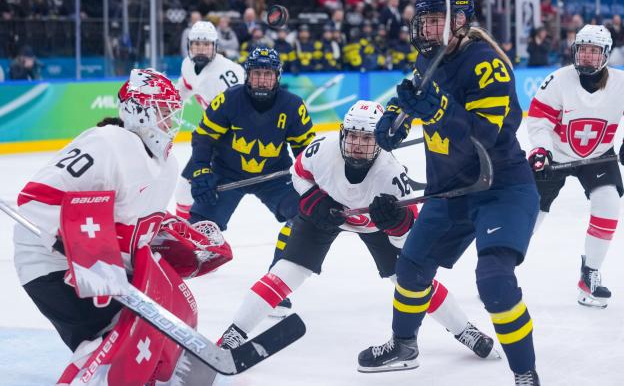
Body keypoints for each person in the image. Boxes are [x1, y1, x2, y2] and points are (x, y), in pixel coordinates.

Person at [217, 100, 499, 361]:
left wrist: (395, 224)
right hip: (323, 213)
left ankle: (465, 330)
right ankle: (233, 334)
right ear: (342, 133)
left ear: (379, 141)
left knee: (411, 280)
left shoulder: (391, 177)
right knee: (286, 271)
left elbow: (408, 241)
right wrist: (312, 197)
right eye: (352, 135)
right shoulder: (322, 150)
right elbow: (298, 173)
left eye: (366, 138)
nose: (356, 144)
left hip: (375, 225)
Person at [360, 0, 540, 385]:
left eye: (437, 20)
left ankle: (525, 373)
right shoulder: (429, 60)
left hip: (500, 188)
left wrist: (440, 109)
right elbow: (409, 97)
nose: (427, 28)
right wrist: (391, 119)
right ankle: (404, 346)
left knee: (494, 281)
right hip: (450, 190)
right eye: (425, 20)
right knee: (410, 270)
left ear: (460, 22)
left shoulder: (486, 63)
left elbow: (483, 137)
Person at [12, 69, 232, 385]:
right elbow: (37, 199)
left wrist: (182, 237)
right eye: (163, 110)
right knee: (112, 338)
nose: (170, 119)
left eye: (172, 111)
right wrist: (79, 245)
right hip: (51, 261)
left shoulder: (167, 163)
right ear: (138, 111)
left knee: (152, 326)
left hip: (108, 267)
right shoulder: (107, 143)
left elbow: (139, 226)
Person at [186, 46, 315, 310]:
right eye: (257, 73)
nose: (263, 79)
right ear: (247, 75)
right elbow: (203, 137)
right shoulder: (228, 100)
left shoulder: (292, 106)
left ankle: (276, 285)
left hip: (274, 177)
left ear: (277, 77)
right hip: (227, 172)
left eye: (268, 74)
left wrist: (314, 181)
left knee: (305, 216)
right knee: (198, 226)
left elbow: (306, 151)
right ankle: (167, 273)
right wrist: (200, 169)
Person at [527, 24, 624, 309]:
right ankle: (499, 271)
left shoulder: (620, 83)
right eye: (583, 50)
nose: (587, 57)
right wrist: (540, 150)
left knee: (608, 204)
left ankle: (589, 275)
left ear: (605, 54)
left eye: (594, 52)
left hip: (597, 156)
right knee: (529, 215)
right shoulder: (557, 81)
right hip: (555, 156)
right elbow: (538, 121)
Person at [175, 20, 245, 220]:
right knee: (188, 191)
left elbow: (243, 111)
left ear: (215, 46)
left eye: (206, 45)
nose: (201, 49)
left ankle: (188, 230)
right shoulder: (188, 64)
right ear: (189, 45)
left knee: (189, 190)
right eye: (196, 44)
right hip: (212, 139)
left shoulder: (227, 73)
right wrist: (166, 109)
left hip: (229, 141)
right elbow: (184, 88)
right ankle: (188, 230)